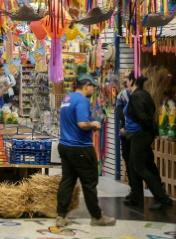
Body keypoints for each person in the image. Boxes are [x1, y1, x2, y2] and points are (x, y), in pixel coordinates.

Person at [56, 75, 116, 227]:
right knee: (89, 183)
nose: (93, 89)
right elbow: (82, 124)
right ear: (86, 86)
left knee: (67, 181)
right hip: (80, 147)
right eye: (92, 86)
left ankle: (61, 216)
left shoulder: (67, 98)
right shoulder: (82, 100)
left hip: (65, 145)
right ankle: (97, 217)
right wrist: (94, 124)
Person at [124, 75, 173, 210]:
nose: (125, 83)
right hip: (142, 135)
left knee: (140, 167)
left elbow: (142, 116)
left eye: (127, 81)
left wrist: (146, 129)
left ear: (132, 82)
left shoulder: (136, 96)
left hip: (140, 135)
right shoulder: (144, 94)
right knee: (141, 165)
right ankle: (137, 197)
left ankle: (162, 198)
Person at [115, 73, 134, 201]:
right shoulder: (139, 94)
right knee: (132, 160)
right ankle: (135, 189)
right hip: (135, 132)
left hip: (127, 132)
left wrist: (124, 126)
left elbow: (119, 114)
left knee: (129, 159)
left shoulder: (123, 95)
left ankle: (134, 189)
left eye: (127, 79)